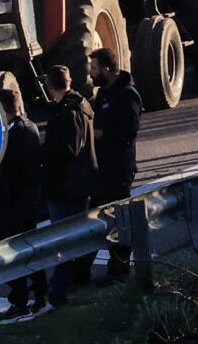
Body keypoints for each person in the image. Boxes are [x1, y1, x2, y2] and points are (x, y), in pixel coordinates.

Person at [0, 87, 46, 321]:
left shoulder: (12, 136)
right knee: (31, 250)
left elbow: (4, 173)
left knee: (11, 255)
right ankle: (40, 295)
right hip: (27, 202)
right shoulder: (30, 127)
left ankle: (20, 302)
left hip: (13, 205)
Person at [37, 65, 95, 306]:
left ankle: (59, 289)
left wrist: (42, 154)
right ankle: (77, 281)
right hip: (76, 183)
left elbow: (69, 149)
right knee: (76, 237)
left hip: (65, 185)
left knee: (63, 240)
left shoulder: (68, 111)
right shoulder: (79, 105)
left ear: (50, 86)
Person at [89, 48, 143, 279]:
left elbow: (129, 131)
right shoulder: (104, 94)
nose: (91, 73)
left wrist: (98, 135)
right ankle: (110, 268)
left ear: (106, 69)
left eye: (94, 68)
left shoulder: (127, 95)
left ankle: (121, 270)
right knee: (101, 218)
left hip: (120, 168)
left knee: (119, 221)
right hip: (103, 168)